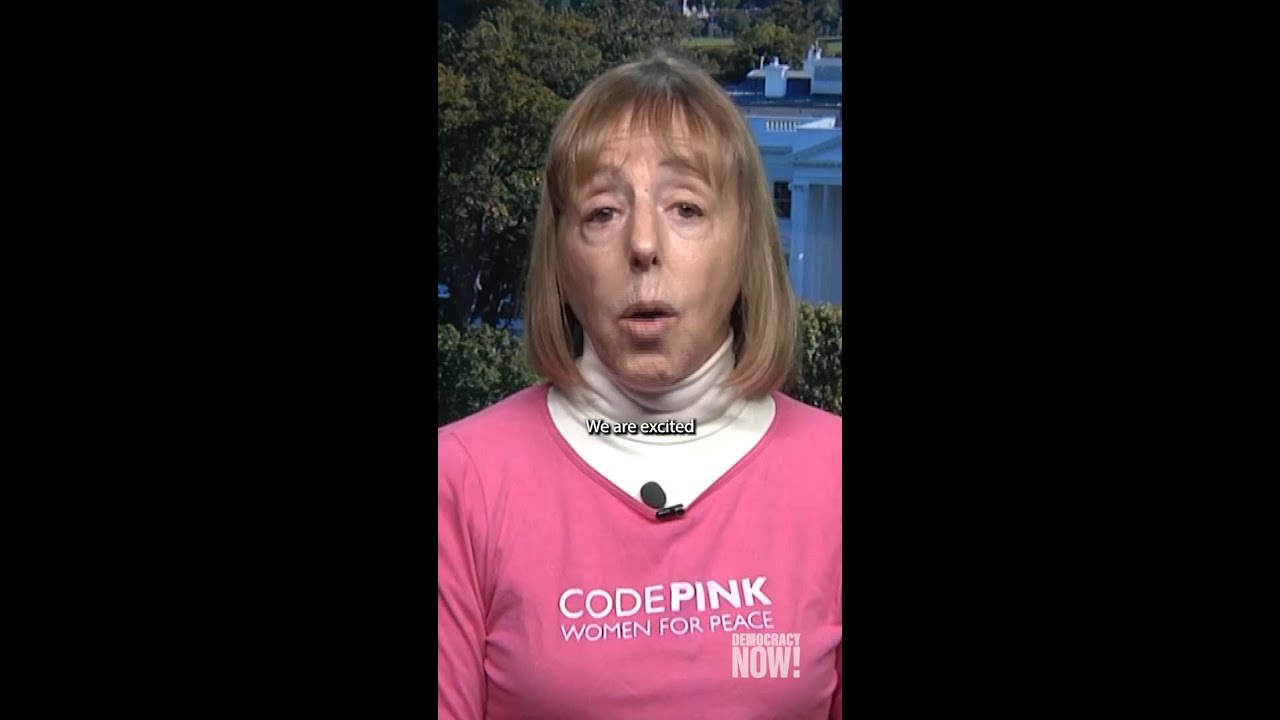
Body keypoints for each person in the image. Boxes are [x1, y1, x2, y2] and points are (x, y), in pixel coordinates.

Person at [438, 50, 842, 719]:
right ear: (561, 256)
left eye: (686, 207)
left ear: (745, 247)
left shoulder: (833, 476)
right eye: (602, 212)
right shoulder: (460, 481)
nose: (644, 245)